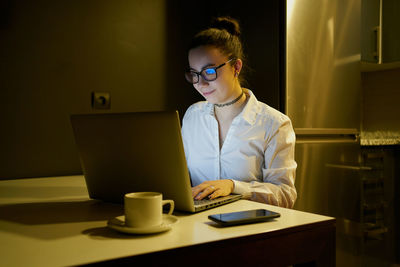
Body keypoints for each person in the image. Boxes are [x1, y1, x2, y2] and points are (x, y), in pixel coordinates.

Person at [181, 17, 297, 208]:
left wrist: (234, 186)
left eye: (209, 71)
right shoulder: (193, 116)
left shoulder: (275, 124)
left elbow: (286, 196)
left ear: (236, 67)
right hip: (198, 229)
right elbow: (180, 178)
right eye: (194, 74)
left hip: (251, 231)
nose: (200, 83)